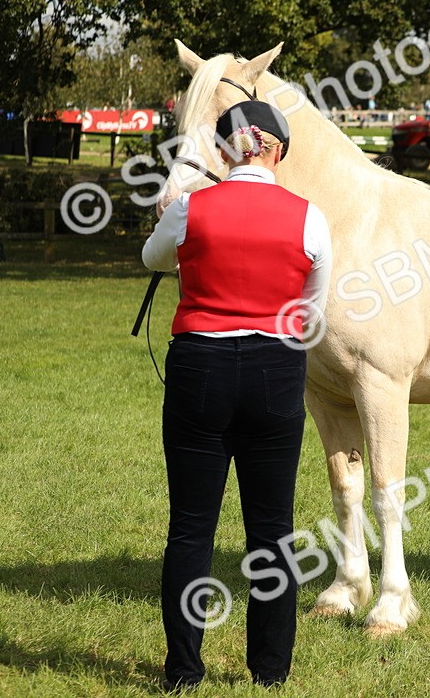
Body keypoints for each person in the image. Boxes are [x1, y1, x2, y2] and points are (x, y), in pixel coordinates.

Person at [142, 99, 332, 691]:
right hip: (276, 369)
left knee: (191, 526)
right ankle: (270, 671)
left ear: (225, 151)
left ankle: (183, 670)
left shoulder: (191, 208)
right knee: (272, 527)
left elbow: (152, 258)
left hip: (200, 364)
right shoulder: (310, 218)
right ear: (277, 151)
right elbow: (312, 311)